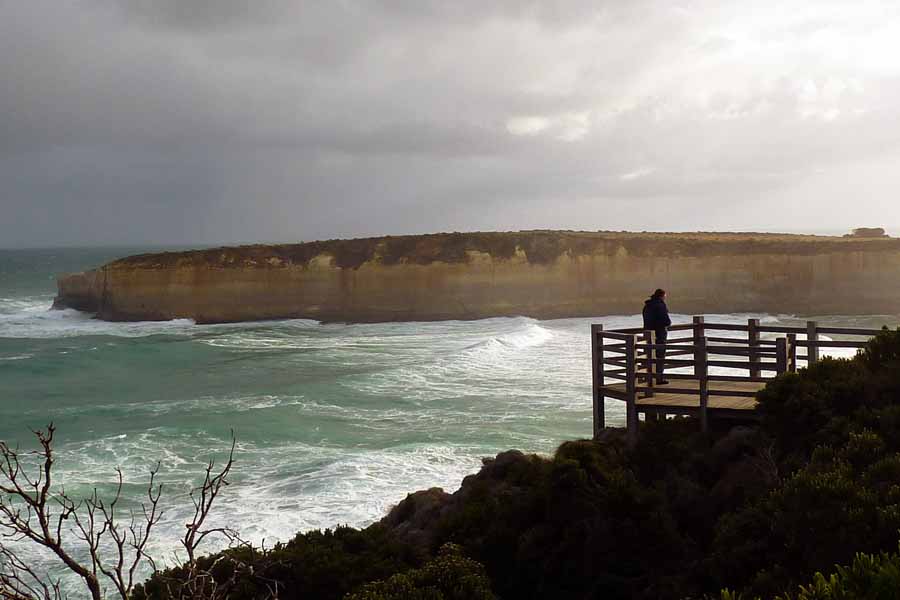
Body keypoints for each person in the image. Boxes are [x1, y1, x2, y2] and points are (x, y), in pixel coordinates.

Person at [642, 289, 671, 384]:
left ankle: (648, 377)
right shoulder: (660, 305)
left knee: (648, 355)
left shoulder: (647, 305)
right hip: (659, 334)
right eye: (665, 296)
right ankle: (658, 378)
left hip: (648, 334)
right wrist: (668, 324)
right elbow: (666, 320)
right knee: (659, 356)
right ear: (661, 296)